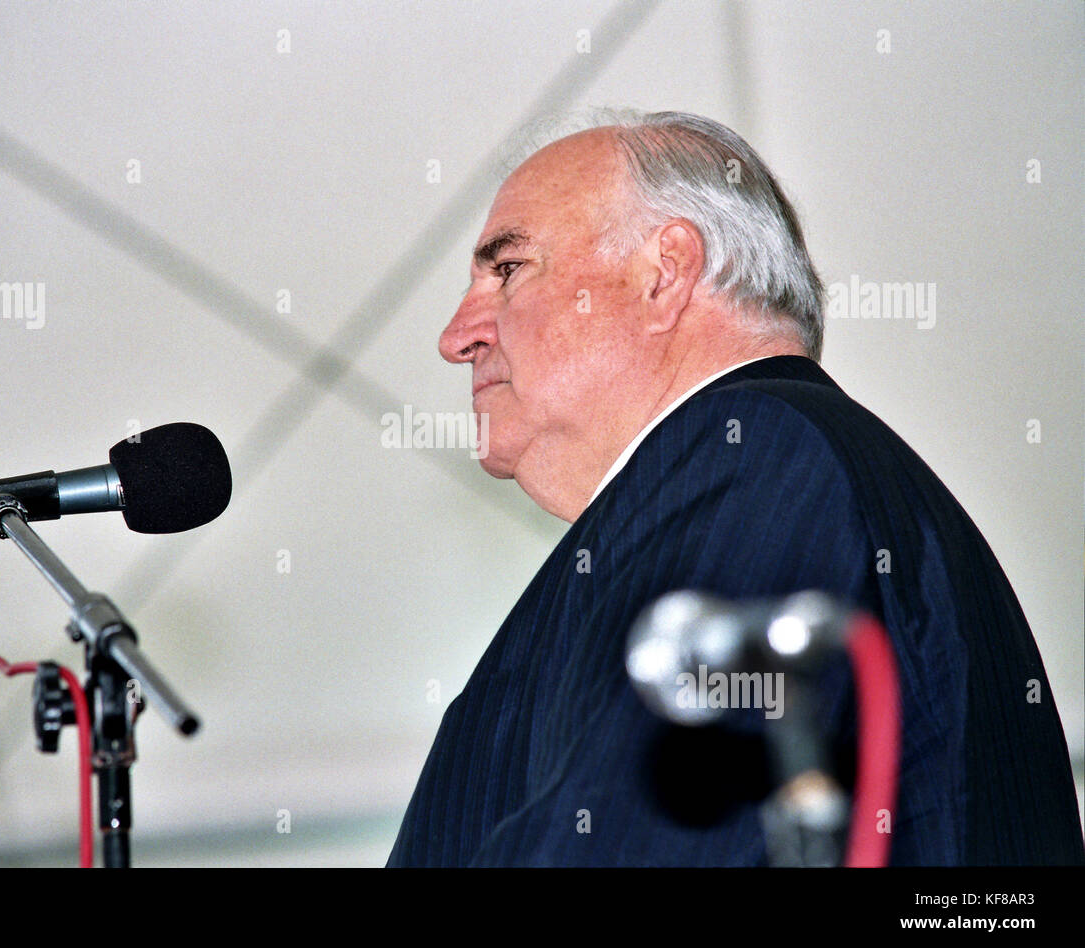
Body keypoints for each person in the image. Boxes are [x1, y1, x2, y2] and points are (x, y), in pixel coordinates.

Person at [386, 110, 1084, 866]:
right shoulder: (756, 466)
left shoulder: (760, 451)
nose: (456, 336)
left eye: (507, 268)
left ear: (665, 271)